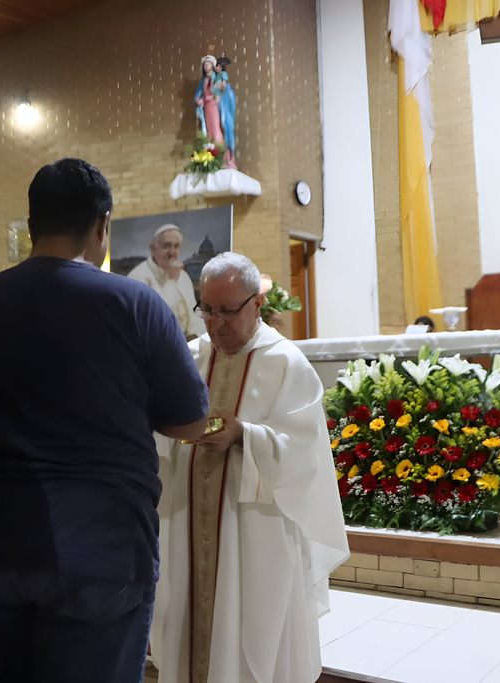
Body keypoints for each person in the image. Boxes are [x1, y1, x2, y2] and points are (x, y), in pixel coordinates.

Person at [0, 158, 210, 682]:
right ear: (103, 225)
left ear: (32, 223)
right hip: (100, 549)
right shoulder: (136, 304)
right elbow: (189, 424)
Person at [151, 252, 350, 683]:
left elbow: (306, 453)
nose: (216, 323)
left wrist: (244, 434)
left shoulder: (285, 363)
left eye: (228, 310)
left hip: (252, 532)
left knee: (249, 631)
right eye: (208, 309)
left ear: (257, 303)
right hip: (187, 523)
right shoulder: (187, 357)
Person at [127, 224, 205, 340]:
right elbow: (156, 320)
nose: (172, 252)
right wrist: (172, 280)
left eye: (176, 246)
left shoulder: (183, 276)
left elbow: (194, 314)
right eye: (166, 246)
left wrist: (200, 338)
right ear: (152, 249)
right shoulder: (137, 277)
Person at [194, 56, 237, 170]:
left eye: (208, 64)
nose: (206, 66)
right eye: (204, 64)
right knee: (210, 132)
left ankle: (224, 156)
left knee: (217, 130)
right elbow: (199, 95)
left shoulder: (217, 77)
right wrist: (199, 100)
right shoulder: (203, 81)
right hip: (207, 108)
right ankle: (213, 155)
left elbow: (222, 90)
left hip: (215, 107)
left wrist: (213, 96)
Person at [213, 57, 237, 169]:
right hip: (220, 101)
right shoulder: (215, 77)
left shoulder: (223, 75)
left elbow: (223, 86)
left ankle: (230, 157)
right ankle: (224, 157)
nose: (216, 68)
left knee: (227, 124)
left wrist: (213, 88)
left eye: (218, 66)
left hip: (225, 99)